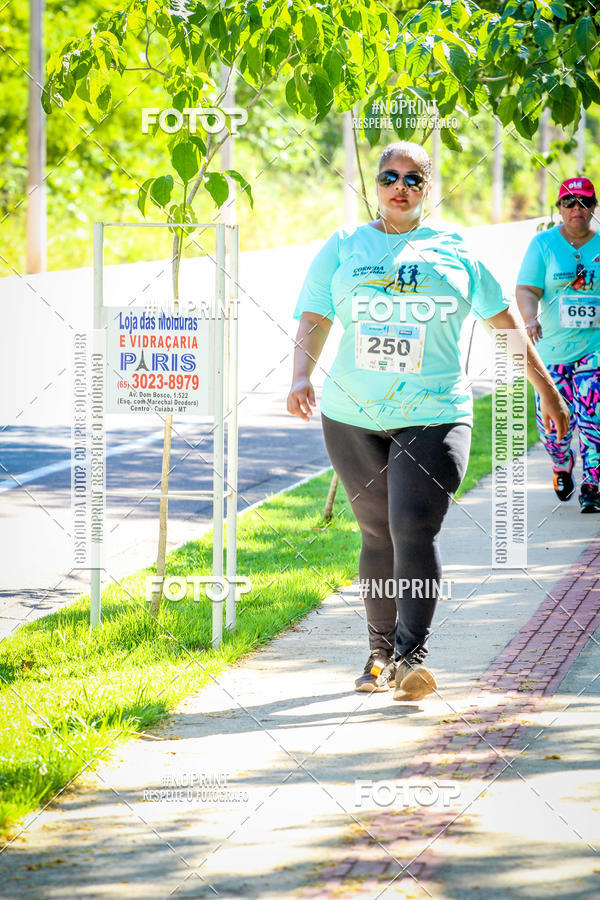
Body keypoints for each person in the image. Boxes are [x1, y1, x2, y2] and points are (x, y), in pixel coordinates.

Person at [287, 141, 569, 701]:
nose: (400, 186)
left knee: (412, 527)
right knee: (374, 533)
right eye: (389, 176)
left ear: (429, 187)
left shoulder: (455, 250)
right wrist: (301, 376)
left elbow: (504, 324)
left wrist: (548, 392)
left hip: (435, 413)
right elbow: (315, 315)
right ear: (375, 184)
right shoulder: (345, 245)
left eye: (413, 179)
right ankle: (378, 653)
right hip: (351, 415)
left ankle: (412, 660)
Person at [517, 177, 600, 513]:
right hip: (550, 353)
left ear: (594, 207)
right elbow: (526, 289)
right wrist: (530, 318)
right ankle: (560, 461)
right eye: (569, 202)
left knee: (595, 418)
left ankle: (592, 484)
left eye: (583, 202)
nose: (576, 209)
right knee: (554, 426)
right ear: (559, 209)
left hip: (593, 350)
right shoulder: (543, 245)